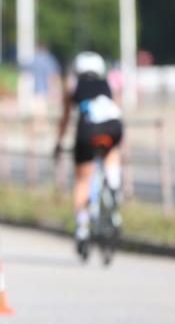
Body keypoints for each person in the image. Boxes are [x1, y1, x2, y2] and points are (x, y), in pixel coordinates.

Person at [53, 51, 123, 255]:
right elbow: (117, 109)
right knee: (111, 154)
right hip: (113, 127)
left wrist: (59, 143)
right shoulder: (110, 83)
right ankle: (114, 187)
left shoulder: (73, 84)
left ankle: (83, 229)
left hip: (87, 128)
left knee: (83, 179)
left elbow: (65, 118)